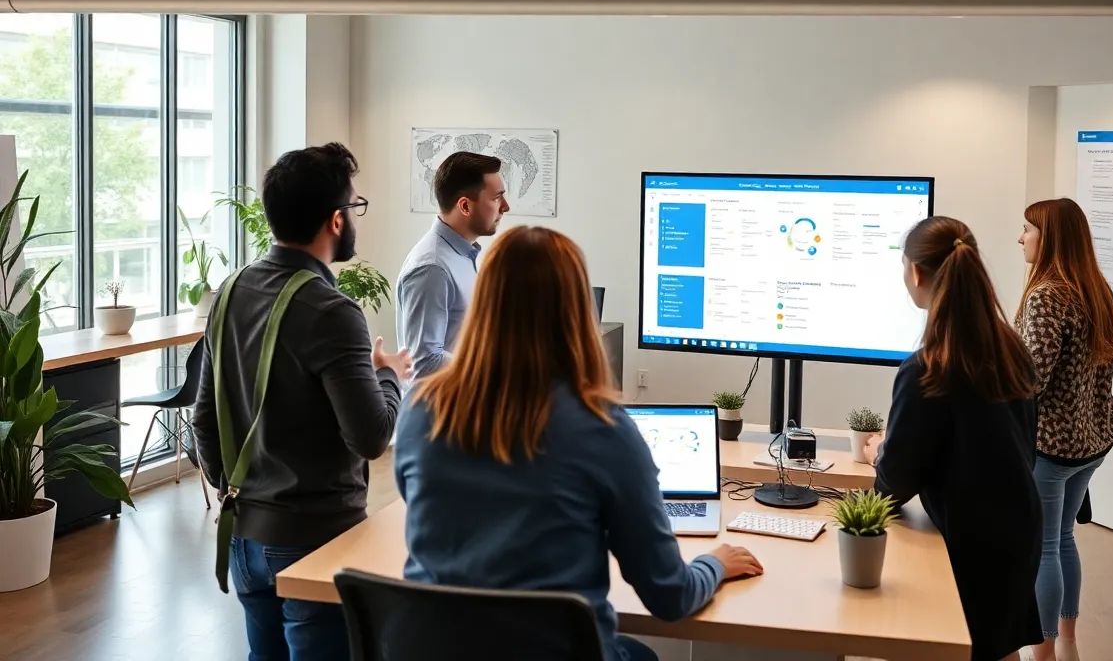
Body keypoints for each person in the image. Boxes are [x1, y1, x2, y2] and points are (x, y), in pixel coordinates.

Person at [394, 226, 763, 661]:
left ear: (484, 303)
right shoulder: (603, 428)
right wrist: (716, 562)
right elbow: (670, 597)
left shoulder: (419, 407)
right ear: (576, 309)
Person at [193, 143, 412, 661]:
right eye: (355, 207)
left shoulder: (230, 290)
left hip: (245, 538)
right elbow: (371, 436)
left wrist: (236, 494)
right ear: (336, 220)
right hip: (316, 541)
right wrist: (389, 378)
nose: (355, 217)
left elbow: (204, 417)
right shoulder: (333, 311)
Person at [870, 216, 1042, 661]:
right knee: (999, 647)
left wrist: (880, 455)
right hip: (1018, 531)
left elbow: (894, 485)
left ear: (915, 273)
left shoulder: (927, 368)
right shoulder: (1011, 348)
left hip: (969, 545)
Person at [1016, 198, 1113, 661]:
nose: (1020, 238)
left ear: (1050, 238)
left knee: (1042, 547)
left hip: (1051, 446)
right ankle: (1068, 645)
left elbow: (1030, 378)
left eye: (1027, 230)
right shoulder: (1096, 289)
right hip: (1091, 442)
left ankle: (1041, 654)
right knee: (1062, 538)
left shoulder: (1047, 295)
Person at [396, 151, 509, 385]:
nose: (505, 207)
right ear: (465, 206)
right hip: (438, 416)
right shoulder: (432, 267)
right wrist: (495, 366)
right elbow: (424, 362)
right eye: (497, 198)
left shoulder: (463, 254)